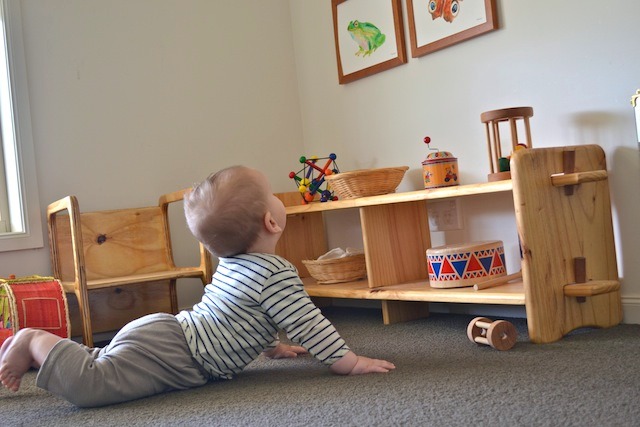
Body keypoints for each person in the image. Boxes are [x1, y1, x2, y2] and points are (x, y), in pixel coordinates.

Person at [0, 165, 395, 407]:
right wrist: (350, 362)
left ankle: (49, 352)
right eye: (272, 195)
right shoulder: (275, 271)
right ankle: (33, 339)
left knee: (106, 363)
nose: (277, 199)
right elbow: (310, 323)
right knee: (94, 387)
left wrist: (271, 345)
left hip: (171, 335)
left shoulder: (233, 263)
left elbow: (236, 311)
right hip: (177, 352)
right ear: (271, 223)